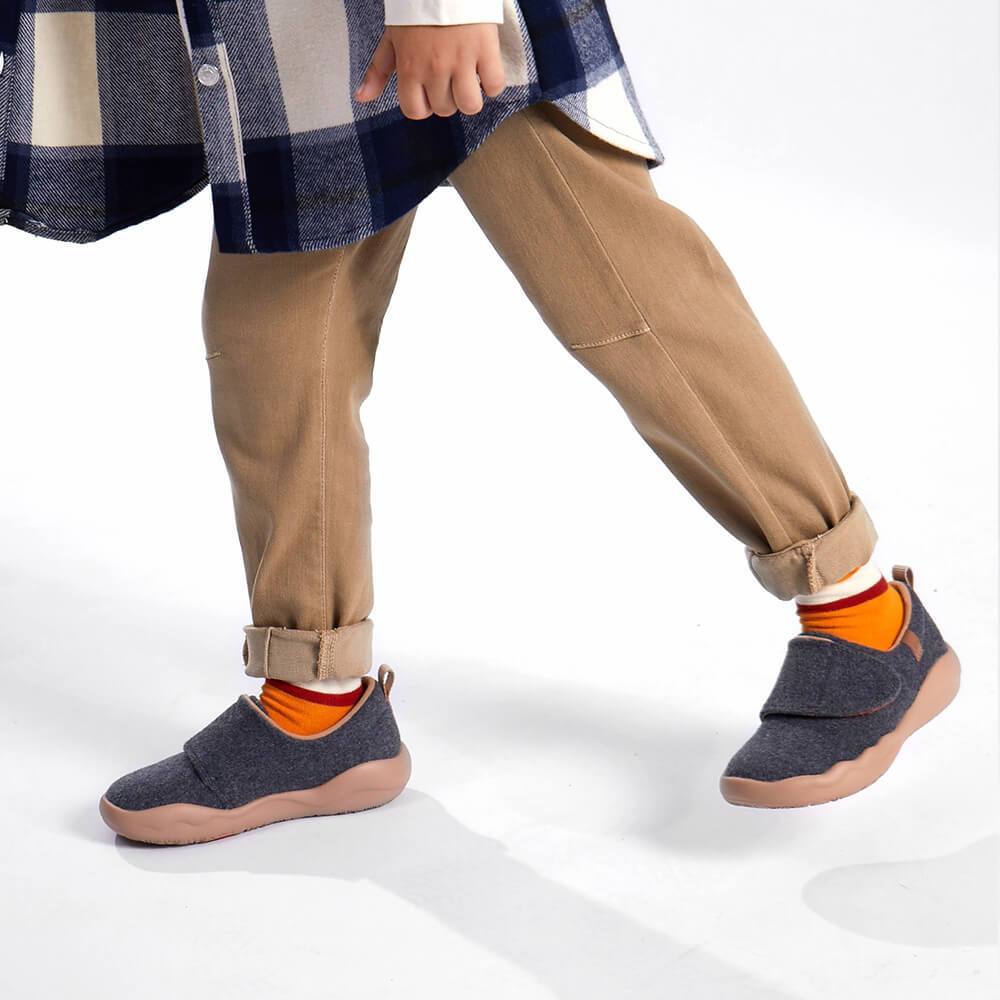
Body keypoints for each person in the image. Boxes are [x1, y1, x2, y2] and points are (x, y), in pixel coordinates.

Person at [0, 2, 959, 844]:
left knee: (618, 286)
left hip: (432, 17)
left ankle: (866, 617)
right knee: (270, 348)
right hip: (272, 36)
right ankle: (315, 702)